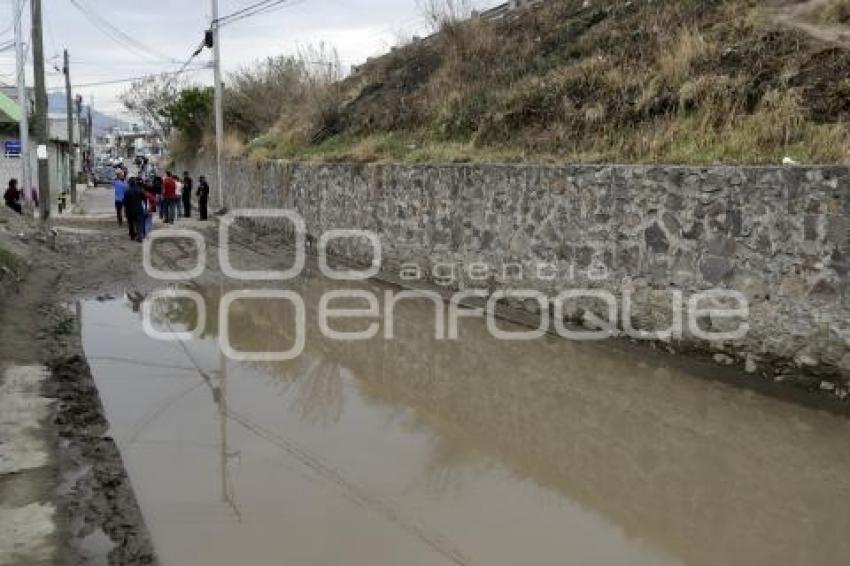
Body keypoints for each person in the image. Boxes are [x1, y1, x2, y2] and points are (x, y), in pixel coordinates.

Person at [123, 177, 146, 242]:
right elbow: (144, 198)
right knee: (139, 223)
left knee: (131, 223)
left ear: (129, 183)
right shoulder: (140, 190)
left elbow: (125, 202)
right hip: (139, 209)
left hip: (130, 210)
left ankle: (132, 235)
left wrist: (125, 211)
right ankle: (140, 236)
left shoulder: (127, 191)